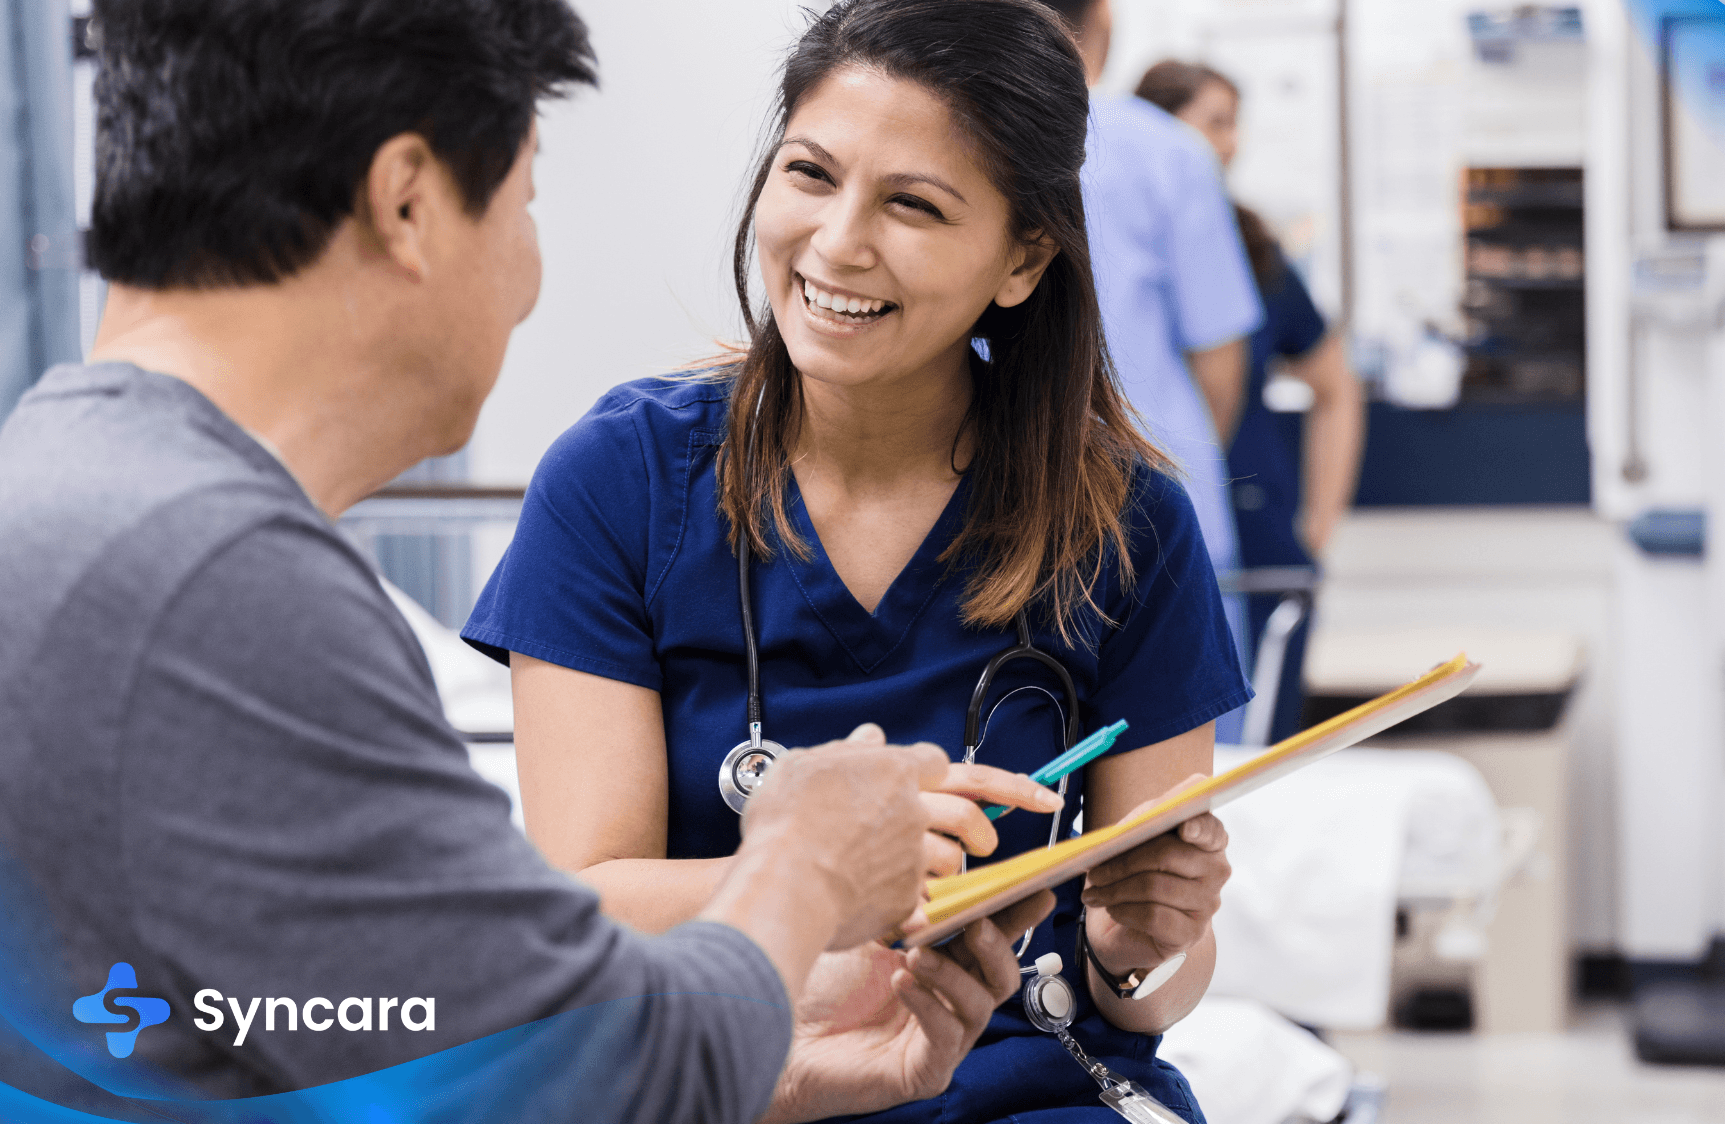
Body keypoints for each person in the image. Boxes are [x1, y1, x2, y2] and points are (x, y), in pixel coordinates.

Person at [0, 2, 1040, 1121]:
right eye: (526, 197)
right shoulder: (217, 582)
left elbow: (381, 1039)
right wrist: (808, 857)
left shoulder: (63, 489)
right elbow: (571, 1084)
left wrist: (775, 1061)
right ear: (409, 202)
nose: (530, 277)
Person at [461, 1, 1241, 1120]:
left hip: (1024, 1088)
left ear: (1022, 256)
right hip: (723, 1079)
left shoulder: (1126, 521)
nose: (835, 242)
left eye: (911, 204)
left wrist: (1141, 938)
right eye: (810, 174)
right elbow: (585, 909)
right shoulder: (619, 482)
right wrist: (835, 863)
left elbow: (1146, 995)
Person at [1039, 1, 1265, 717]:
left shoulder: (958, 140)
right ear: (1102, 21)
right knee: (1193, 789)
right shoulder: (1169, 153)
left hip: (1010, 505)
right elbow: (1220, 363)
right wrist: (1181, 464)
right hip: (1165, 497)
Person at [1134, 60, 1366, 742]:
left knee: (1260, 750)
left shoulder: (1254, 250)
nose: (1229, 143)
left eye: (1235, 125)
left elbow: (1335, 387)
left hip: (1255, 533)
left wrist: (1319, 524)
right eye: (1213, 122)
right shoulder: (1109, 244)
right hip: (1152, 532)